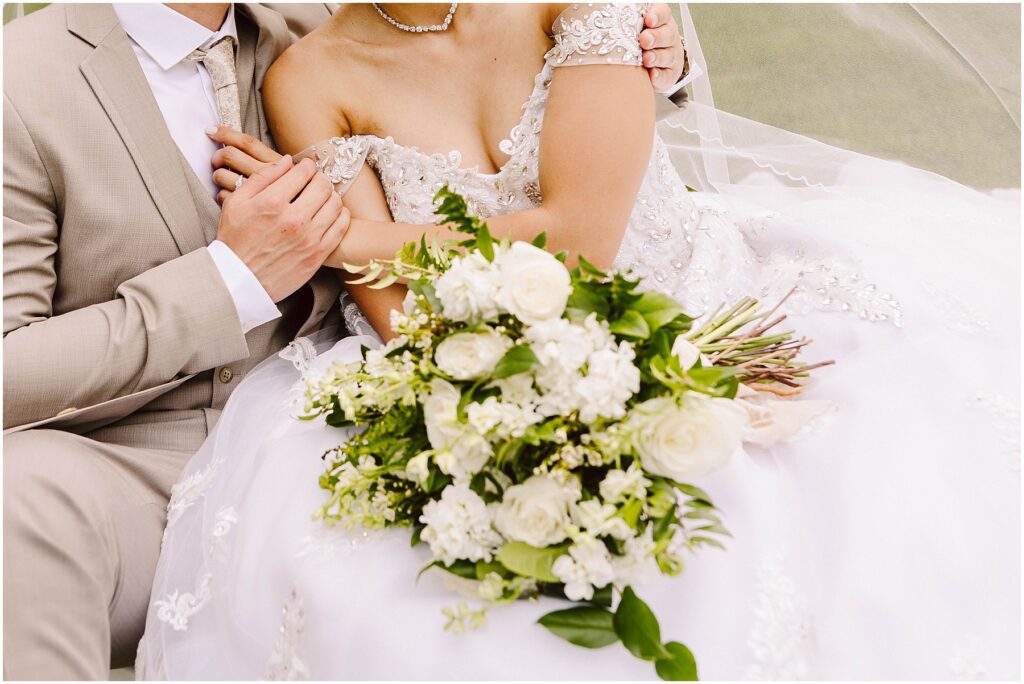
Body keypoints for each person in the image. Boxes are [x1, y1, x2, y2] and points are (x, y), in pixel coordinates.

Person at [140, 2, 1019, 679]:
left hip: (688, 299)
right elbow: (399, 313)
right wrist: (492, 396)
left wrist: (333, 233)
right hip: (468, 353)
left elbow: (580, 238)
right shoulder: (310, 74)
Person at [1, 2, 685, 678]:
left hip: (351, 423)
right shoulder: (21, 79)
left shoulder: (310, 19)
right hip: (143, 463)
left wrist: (654, 56)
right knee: (16, 497)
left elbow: (510, 86)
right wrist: (229, 279)